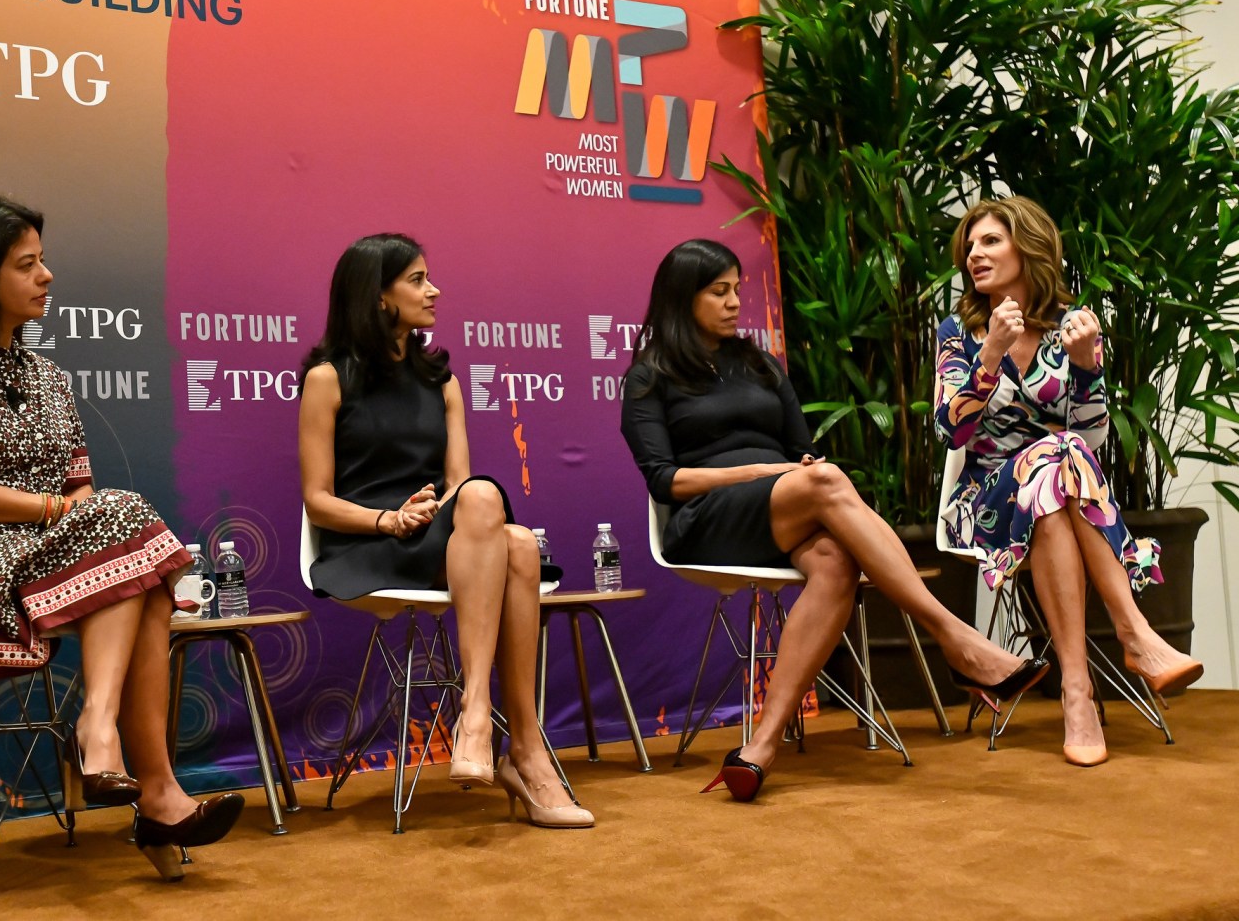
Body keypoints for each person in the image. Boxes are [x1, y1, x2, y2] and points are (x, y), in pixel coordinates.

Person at [0, 191, 243, 881]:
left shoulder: (49, 377)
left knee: (134, 554)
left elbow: (82, 492)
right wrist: (55, 512)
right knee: (139, 552)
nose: (47, 276)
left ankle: (128, 763)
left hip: (46, 551)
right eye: (26, 264)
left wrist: (69, 513)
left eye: (43, 261)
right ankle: (131, 766)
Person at [621, 238, 1049, 802]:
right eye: (719, 292)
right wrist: (756, 473)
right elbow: (664, 480)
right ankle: (955, 638)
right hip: (705, 520)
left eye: (737, 291)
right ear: (683, 298)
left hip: (780, 508)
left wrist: (793, 470)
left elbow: (800, 449)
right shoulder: (650, 376)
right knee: (823, 483)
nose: (733, 303)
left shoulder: (758, 364)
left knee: (835, 557)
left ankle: (759, 748)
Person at [298, 233, 593, 829]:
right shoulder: (329, 379)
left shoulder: (443, 381)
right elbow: (318, 501)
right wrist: (389, 518)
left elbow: (459, 486)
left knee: (494, 516)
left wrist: (431, 513)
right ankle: (514, 742)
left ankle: (482, 716)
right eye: (417, 280)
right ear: (379, 297)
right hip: (368, 544)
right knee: (514, 543)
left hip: (441, 535)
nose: (434, 290)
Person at [935, 196, 1203, 766]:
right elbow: (951, 431)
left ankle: (1076, 691)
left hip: (1061, 495)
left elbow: (1094, 437)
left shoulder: (1071, 324)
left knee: (1058, 469)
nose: (973, 255)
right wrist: (990, 355)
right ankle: (1135, 634)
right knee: (1055, 455)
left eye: (989, 242)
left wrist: (1085, 370)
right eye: (970, 246)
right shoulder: (961, 329)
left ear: (1027, 247)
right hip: (982, 502)